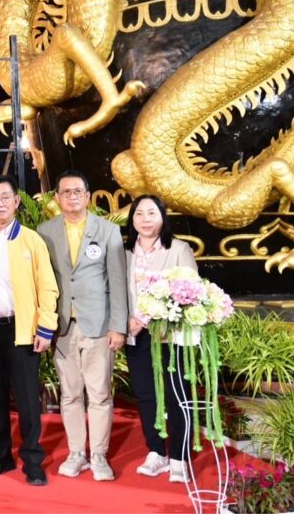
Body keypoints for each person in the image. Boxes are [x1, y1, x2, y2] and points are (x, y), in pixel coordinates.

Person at [37, 170, 128, 481]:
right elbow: (43, 281)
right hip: (62, 326)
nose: (72, 196)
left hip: (99, 325)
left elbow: (117, 282)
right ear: (57, 198)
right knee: (70, 394)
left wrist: (118, 326)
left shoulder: (107, 231)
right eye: (66, 192)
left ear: (88, 196)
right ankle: (77, 452)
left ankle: (99, 454)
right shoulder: (45, 231)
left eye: (78, 191)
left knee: (99, 394)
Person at [0, 175, 58, 487]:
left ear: (16, 201)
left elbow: (47, 286)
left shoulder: (32, 240)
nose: (0, 203)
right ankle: (0, 456)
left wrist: (45, 328)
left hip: (23, 329)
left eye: (5, 197)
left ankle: (32, 460)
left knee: (27, 399)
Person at [124, 194, 197, 484]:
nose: (145, 219)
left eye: (151, 213)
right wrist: (126, 320)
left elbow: (190, 291)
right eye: (139, 214)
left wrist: (165, 319)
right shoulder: (124, 252)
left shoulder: (178, 249)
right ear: (132, 219)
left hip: (170, 335)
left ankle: (179, 457)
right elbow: (116, 292)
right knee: (146, 395)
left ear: (162, 217)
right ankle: (156, 452)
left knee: (177, 395)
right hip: (136, 335)